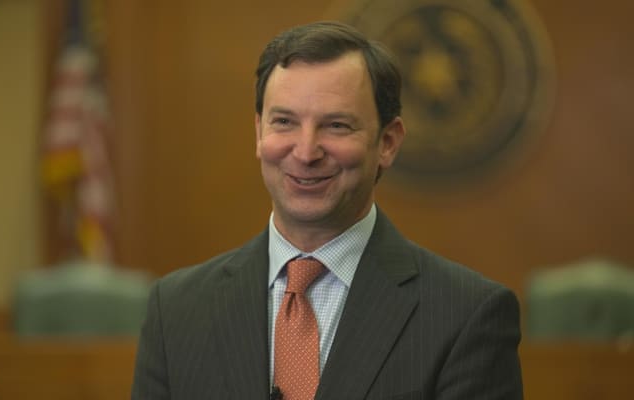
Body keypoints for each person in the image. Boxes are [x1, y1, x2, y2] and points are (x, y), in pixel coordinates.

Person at [131, 21, 522, 400]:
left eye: (336, 125)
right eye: (284, 121)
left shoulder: (465, 315)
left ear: (387, 142)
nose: (305, 152)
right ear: (259, 132)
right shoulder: (176, 310)